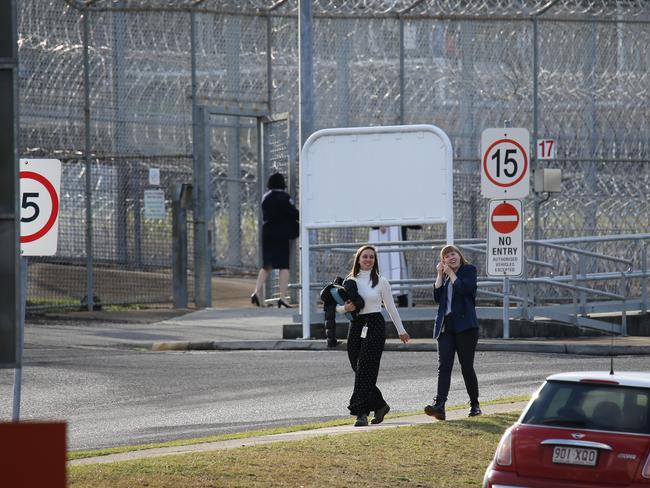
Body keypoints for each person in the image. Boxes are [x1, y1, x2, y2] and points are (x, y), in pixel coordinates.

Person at [340, 245, 410, 427]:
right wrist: (344, 309)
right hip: (356, 325)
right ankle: (380, 405)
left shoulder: (381, 281)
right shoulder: (350, 280)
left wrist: (401, 330)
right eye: (365, 256)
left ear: (374, 261)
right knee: (359, 368)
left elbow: (391, 307)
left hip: (375, 326)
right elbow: (339, 307)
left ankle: (360, 412)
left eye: (371, 257)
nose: (368, 259)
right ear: (358, 259)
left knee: (365, 369)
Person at [424, 244, 481, 420]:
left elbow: (465, 289)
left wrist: (450, 273)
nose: (451, 257)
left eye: (453, 254)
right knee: (444, 366)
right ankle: (440, 405)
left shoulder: (468, 270)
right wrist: (440, 274)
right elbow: (436, 297)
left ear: (459, 255)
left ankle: (474, 404)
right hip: (445, 327)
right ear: (443, 261)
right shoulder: (446, 277)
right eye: (447, 256)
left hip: (465, 327)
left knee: (466, 366)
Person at [250, 172, 299, 308]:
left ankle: (256, 292)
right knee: (284, 266)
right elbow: (293, 212)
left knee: (267, 265)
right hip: (281, 234)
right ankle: (282, 297)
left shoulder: (266, 197)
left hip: (267, 232)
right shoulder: (284, 197)